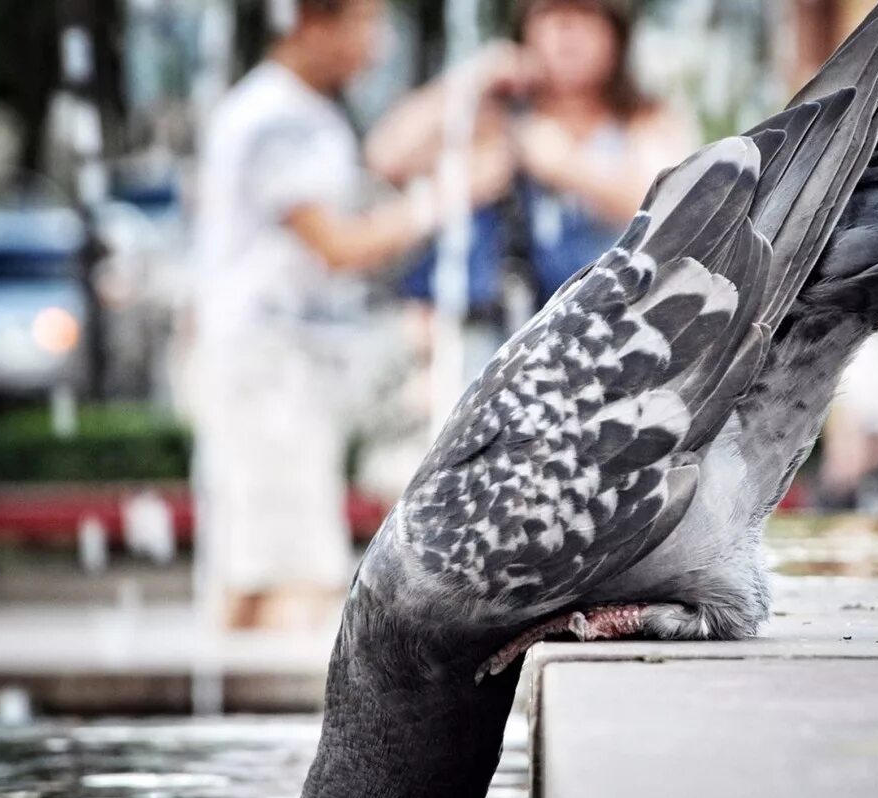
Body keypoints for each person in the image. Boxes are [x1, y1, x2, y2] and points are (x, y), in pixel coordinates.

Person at [193, 0, 490, 632]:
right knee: (298, 573)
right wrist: (447, 196)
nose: (376, 46)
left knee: (255, 568)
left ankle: (227, 720)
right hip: (268, 365)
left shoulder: (292, 110)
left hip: (271, 361)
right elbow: (337, 246)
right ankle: (289, 728)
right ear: (311, 22)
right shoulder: (278, 118)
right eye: (365, 25)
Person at [366, 0, 695, 310]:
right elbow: (385, 157)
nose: (567, 30)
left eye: (585, 14)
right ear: (525, 31)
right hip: (496, 328)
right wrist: (472, 78)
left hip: (604, 326)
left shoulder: (644, 120)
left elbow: (678, 212)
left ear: (616, 34)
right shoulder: (498, 113)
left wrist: (568, 167)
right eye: (550, 13)